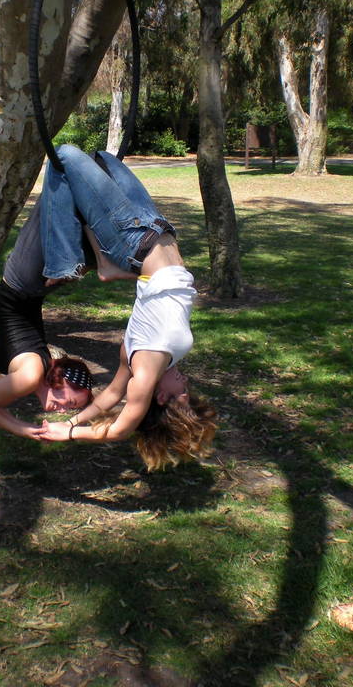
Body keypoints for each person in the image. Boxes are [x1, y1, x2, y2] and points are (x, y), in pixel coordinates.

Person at [32, 144, 216, 469]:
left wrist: (69, 431)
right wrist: (73, 421)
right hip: (158, 229)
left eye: (183, 392)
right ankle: (106, 268)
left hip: (134, 237)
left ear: (161, 397)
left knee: (64, 156)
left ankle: (62, 261)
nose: (186, 382)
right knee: (103, 158)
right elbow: (110, 396)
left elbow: (119, 427)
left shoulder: (144, 372)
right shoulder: (153, 359)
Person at [0, 198, 94, 439]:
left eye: (69, 407)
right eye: (69, 402)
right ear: (61, 379)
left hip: (28, 285)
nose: (63, 409)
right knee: (58, 203)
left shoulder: (33, 375)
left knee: (69, 215)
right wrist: (24, 429)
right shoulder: (31, 376)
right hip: (25, 280)